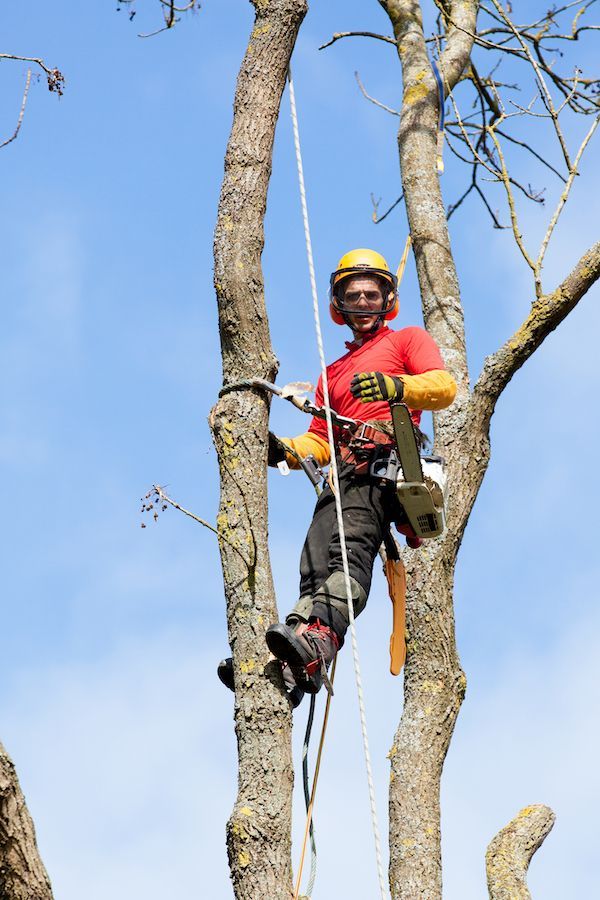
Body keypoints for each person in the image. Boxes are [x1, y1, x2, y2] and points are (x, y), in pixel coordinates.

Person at [219, 248, 456, 705]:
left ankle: (323, 638)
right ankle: (294, 653)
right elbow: (320, 442)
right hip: (343, 475)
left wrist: (398, 387)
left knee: (349, 550)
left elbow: (443, 387)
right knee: (313, 558)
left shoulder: (407, 340)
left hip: (382, 468)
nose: (363, 303)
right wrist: (284, 451)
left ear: (387, 297)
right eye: (354, 295)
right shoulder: (332, 374)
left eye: (372, 294)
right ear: (339, 304)